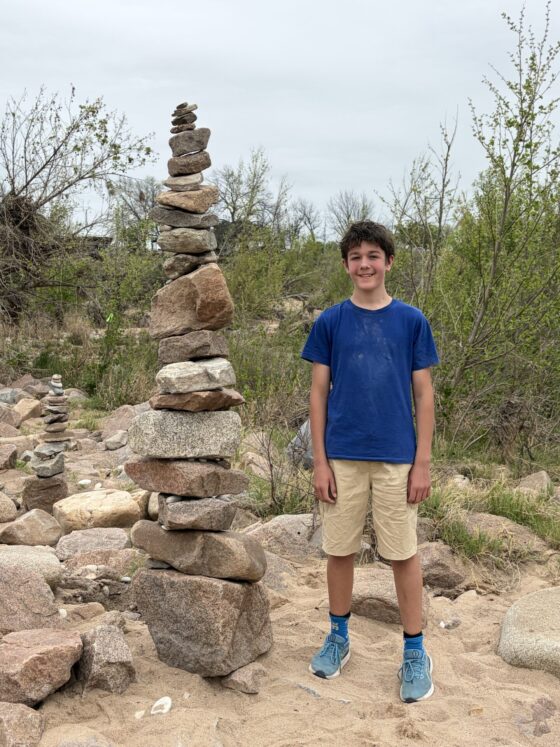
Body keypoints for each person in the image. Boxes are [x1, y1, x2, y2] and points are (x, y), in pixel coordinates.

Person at [301, 220, 439, 703]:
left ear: (389, 262)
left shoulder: (411, 321)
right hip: (341, 456)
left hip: (397, 458)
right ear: (345, 265)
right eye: (356, 256)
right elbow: (319, 394)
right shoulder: (331, 322)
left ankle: (415, 651)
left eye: (373, 255)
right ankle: (338, 638)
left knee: (402, 553)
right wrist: (319, 461)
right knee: (340, 550)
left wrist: (422, 462)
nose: (365, 264)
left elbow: (423, 395)